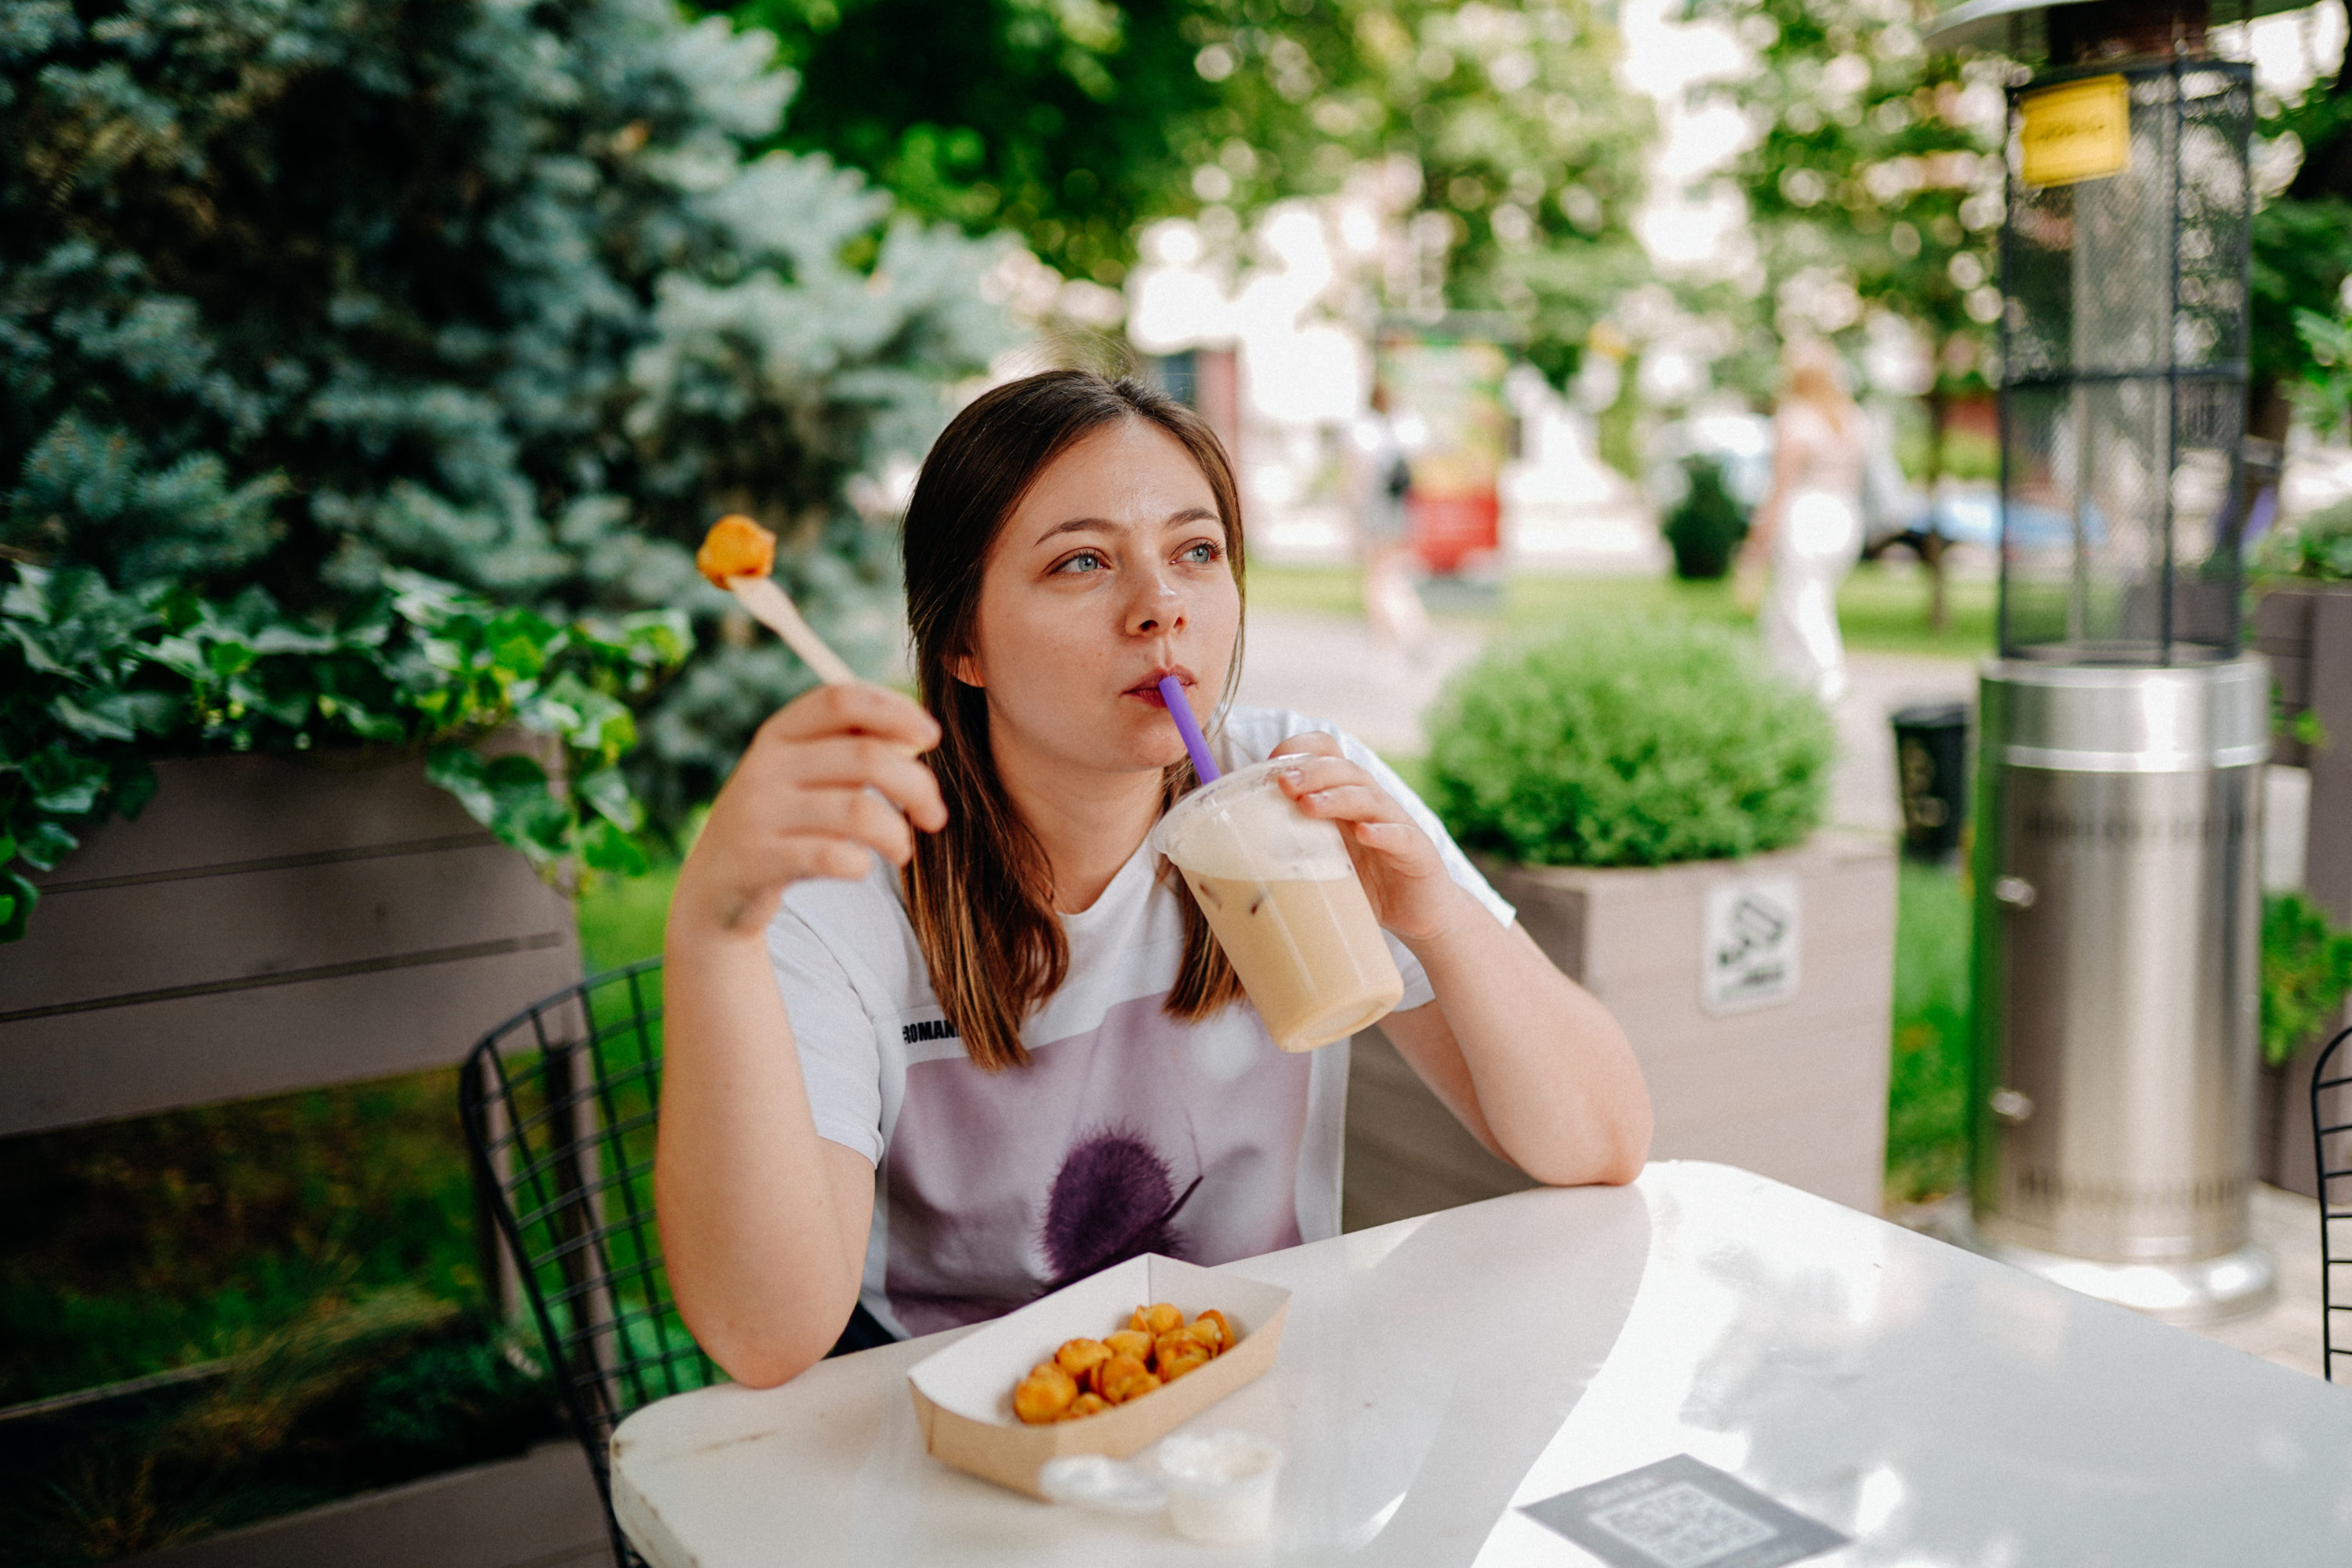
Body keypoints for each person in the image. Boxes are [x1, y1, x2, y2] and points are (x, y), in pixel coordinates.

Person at [655, 371, 1652, 1388]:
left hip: (1254, 1414)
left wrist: (1433, 913)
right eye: (1082, 561)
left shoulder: (1300, 791)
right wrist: (712, 935)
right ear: (962, 642)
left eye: (1196, 552)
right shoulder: (847, 880)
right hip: (962, 1449)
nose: (1160, 607)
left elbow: (1601, 1141)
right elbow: (765, 1337)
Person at [1736, 340, 1867, 706]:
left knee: (1803, 604)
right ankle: (1785, 691)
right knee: (1782, 610)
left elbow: (1779, 487)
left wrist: (1756, 544)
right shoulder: (1850, 417)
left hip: (1807, 516)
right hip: (1846, 515)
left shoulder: (1795, 418)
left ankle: (1830, 680)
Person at [1346, 382, 1431, 650]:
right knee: (1393, 571)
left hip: (1374, 509)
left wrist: (1351, 518)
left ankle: (1389, 634)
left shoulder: (1362, 431)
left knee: (1375, 578)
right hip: (1399, 509)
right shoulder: (1401, 429)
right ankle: (1413, 626)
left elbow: (1354, 479)